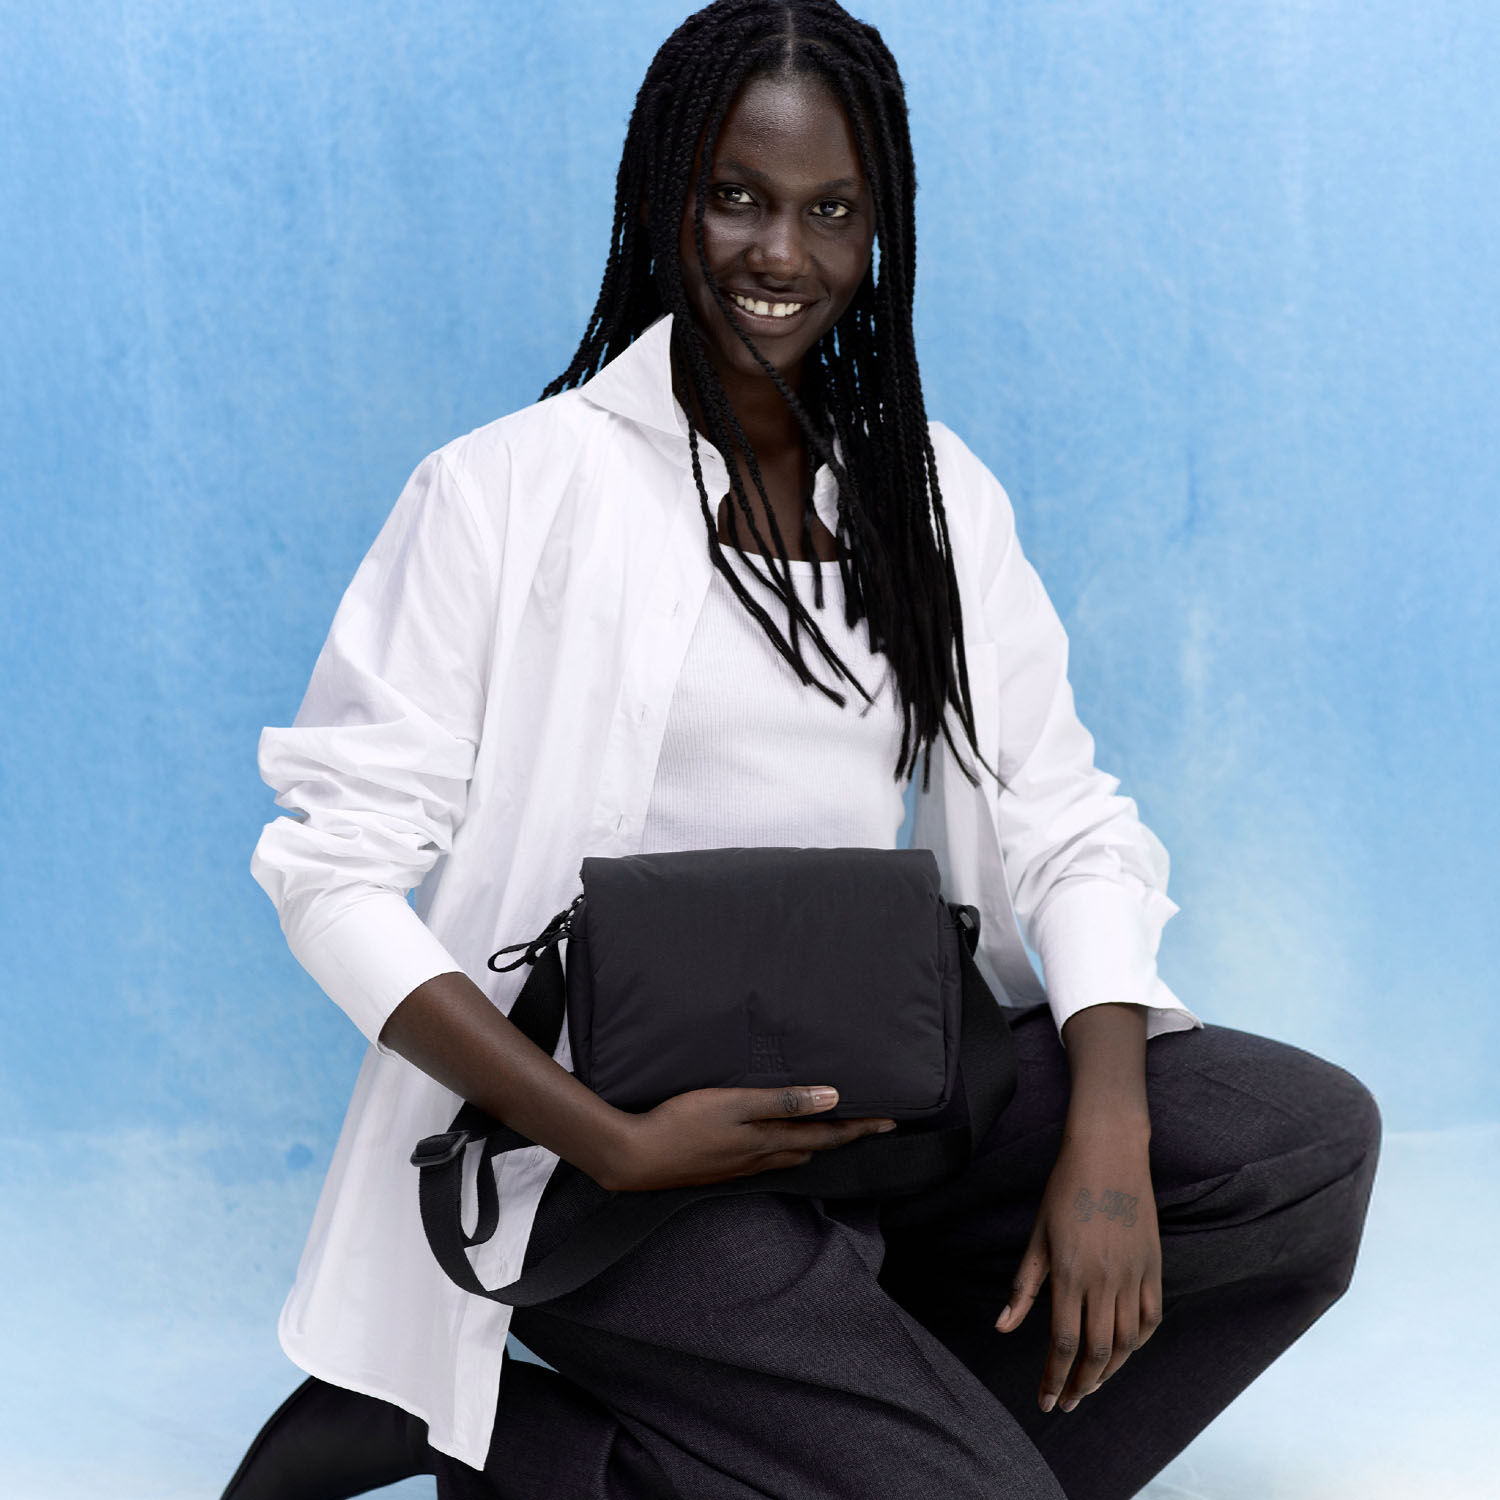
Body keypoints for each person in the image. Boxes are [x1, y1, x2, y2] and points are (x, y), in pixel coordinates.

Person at [221, 3, 1381, 1497]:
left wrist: (1107, 1137)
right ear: (666, 198)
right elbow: (330, 877)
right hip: (613, 1157)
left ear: (878, 225)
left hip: (874, 1098)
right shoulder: (502, 492)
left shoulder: (929, 496)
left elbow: (1063, 815)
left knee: (1303, 1142)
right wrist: (606, 1139)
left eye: (831, 209)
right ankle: (512, 1444)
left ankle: (856, 1421)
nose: (781, 252)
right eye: (736, 197)